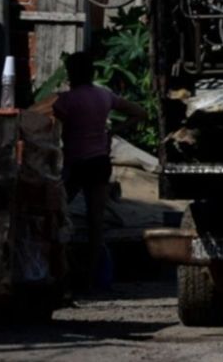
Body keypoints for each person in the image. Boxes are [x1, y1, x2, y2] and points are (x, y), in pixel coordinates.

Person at [52, 51, 148, 292]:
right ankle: (92, 277)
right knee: (96, 223)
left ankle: (60, 270)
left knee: (57, 213)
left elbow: (50, 123)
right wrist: (114, 131)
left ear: (71, 73)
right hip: (99, 163)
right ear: (92, 72)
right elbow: (140, 112)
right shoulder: (104, 96)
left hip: (75, 164)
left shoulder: (65, 101)